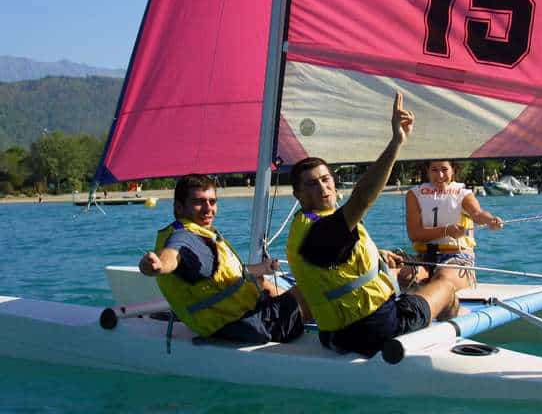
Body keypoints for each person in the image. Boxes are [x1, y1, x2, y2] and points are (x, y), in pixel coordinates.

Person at [286, 93, 459, 357]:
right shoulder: (321, 231)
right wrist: (396, 143)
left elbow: (334, 258)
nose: (323, 187)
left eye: (326, 179)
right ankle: (450, 341)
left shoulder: (310, 226)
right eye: (312, 183)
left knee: (411, 285)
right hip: (377, 331)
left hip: (335, 335)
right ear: (297, 194)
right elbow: (363, 198)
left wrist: (377, 256)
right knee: (446, 287)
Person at [139, 174, 305, 344]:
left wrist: (261, 268)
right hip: (249, 325)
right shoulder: (186, 238)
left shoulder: (188, 232)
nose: (208, 208)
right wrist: (158, 266)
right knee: (312, 291)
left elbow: (221, 273)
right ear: (179, 207)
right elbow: (173, 254)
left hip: (223, 322)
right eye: (198, 202)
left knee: (263, 282)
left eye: (212, 201)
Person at [406, 161, 503, 291]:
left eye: (444, 169)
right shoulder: (414, 195)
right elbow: (414, 234)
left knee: (442, 279)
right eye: (434, 169)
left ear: (453, 170)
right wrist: (446, 231)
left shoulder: (463, 194)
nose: (440, 175)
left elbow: (478, 214)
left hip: (457, 257)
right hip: (424, 258)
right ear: (428, 171)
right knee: (400, 274)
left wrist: (491, 220)